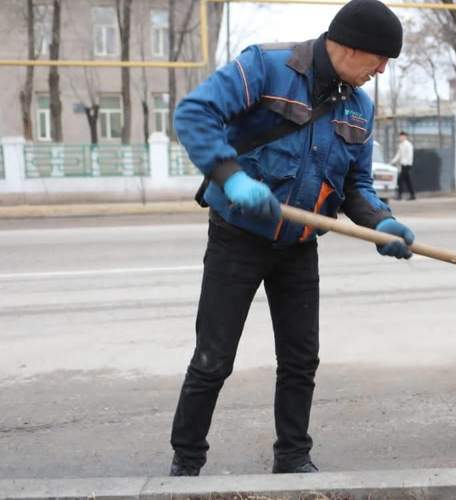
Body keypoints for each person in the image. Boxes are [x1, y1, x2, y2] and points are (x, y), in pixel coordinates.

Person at [169, 0, 414, 476]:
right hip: (236, 237)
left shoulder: (359, 107)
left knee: (301, 361)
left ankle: (293, 457)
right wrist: (230, 177)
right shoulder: (265, 65)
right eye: (379, 58)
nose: (382, 70)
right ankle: (187, 459)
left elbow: (355, 187)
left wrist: (380, 221)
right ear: (346, 46)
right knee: (213, 358)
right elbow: (194, 113)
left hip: (300, 245)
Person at [391, 131, 415, 200]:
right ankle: (412, 195)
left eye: (402, 136)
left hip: (407, 165)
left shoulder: (408, 144)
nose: (400, 138)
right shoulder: (400, 145)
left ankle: (399, 196)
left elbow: (410, 155)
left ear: (405, 137)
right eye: (400, 136)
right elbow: (398, 155)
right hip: (403, 165)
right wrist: (392, 162)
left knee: (400, 180)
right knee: (407, 181)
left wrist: (408, 164)